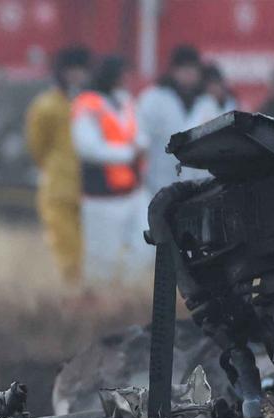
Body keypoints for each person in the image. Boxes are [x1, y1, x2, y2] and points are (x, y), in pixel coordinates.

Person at [72, 55, 149, 283]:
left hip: (133, 190)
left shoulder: (125, 101)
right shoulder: (86, 103)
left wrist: (141, 146)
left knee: (146, 244)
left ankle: (125, 292)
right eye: (123, 75)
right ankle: (99, 304)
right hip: (101, 194)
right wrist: (128, 154)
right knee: (100, 259)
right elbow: (86, 147)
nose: (127, 79)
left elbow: (138, 133)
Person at [25, 45, 92, 285]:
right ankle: (72, 291)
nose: (76, 76)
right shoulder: (46, 106)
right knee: (65, 246)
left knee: (90, 248)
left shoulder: (93, 104)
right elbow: (37, 146)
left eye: (81, 71)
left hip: (91, 188)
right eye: (72, 70)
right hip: (59, 187)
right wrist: (55, 167)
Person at [137, 45, 207, 194]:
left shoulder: (206, 102)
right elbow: (141, 136)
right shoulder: (154, 98)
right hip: (158, 185)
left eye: (193, 69)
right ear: (173, 71)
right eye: (183, 69)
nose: (188, 73)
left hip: (197, 187)